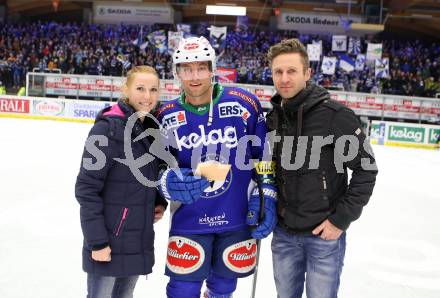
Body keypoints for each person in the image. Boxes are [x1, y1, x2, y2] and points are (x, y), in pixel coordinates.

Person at [156, 36, 277, 298]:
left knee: (223, 289)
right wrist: (166, 182)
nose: (195, 76)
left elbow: (263, 156)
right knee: (181, 291)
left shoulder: (245, 103)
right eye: (187, 69)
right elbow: (155, 167)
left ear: (212, 69)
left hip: (236, 218)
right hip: (188, 221)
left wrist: (265, 194)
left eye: (201, 67)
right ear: (177, 72)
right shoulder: (165, 114)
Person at [265, 38, 378, 298]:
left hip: (323, 237)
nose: (284, 78)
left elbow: (366, 170)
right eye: (278, 72)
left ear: (307, 73)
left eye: (291, 71)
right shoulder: (273, 120)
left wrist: (340, 220)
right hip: (283, 235)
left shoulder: (336, 117)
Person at [75, 66, 168, 298]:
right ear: (125, 89)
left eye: (153, 89)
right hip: (108, 242)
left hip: (136, 241)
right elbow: (86, 189)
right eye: (140, 88)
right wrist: (97, 243)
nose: (147, 96)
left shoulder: (150, 128)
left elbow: (146, 177)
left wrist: (158, 201)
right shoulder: (106, 129)